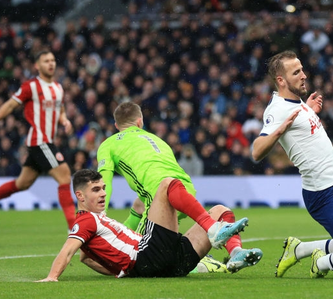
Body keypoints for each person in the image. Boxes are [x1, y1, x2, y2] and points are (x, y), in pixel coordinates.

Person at [96, 101, 262, 273]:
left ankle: (204, 253)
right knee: (221, 211)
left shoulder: (108, 144)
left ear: (116, 125)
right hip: (185, 191)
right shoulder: (156, 140)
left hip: (162, 194)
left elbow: (104, 182)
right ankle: (235, 251)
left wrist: (99, 215)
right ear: (140, 122)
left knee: (138, 253)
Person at [252, 51, 333, 278]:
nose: (304, 75)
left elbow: (302, 128)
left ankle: (299, 249)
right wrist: (279, 131)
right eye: (296, 72)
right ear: (281, 80)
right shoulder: (277, 110)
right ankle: (321, 263)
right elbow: (257, 151)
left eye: (302, 69)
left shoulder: (297, 102)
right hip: (322, 193)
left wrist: (309, 109)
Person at [37, 169, 248, 281]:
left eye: (103, 188)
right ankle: (212, 230)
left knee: (220, 210)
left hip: (170, 264)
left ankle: (236, 253)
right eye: (95, 190)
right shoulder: (85, 220)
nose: (102, 193)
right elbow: (68, 251)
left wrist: (119, 271)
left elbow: (85, 258)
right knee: (167, 184)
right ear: (80, 195)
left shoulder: (98, 219)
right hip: (148, 256)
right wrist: (52, 277)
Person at [0, 51, 76, 227]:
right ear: (37, 66)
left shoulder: (58, 88)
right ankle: (74, 230)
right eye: (46, 61)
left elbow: (60, 110)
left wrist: (64, 120)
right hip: (39, 141)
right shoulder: (31, 86)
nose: (51, 64)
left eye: (52, 60)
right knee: (64, 176)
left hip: (45, 142)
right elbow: (10, 105)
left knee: (22, 183)